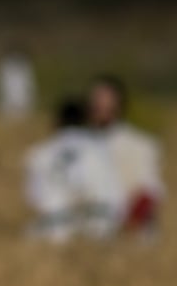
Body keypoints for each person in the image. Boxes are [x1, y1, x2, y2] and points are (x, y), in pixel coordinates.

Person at [25, 98, 126, 244]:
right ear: (86, 122)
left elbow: (34, 198)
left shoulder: (40, 153)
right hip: (100, 227)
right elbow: (117, 197)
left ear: (56, 122)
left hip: (56, 229)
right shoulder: (101, 148)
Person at [86, 75, 164, 233]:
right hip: (91, 233)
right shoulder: (80, 145)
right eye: (96, 99)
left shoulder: (140, 144)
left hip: (130, 232)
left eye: (105, 99)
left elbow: (149, 192)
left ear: (119, 103)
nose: (99, 105)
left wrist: (126, 226)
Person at [0, 45, 37, 120]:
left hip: (23, 106)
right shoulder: (5, 66)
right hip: (8, 106)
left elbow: (29, 87)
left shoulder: (24, 66)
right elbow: (2, 88)